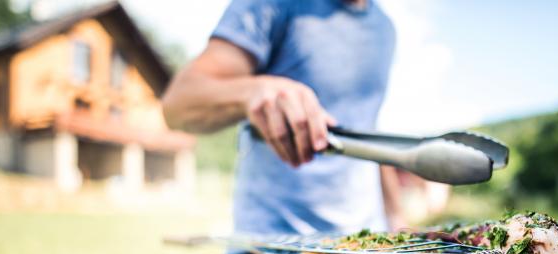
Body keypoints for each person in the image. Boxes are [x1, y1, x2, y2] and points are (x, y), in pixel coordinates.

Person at [163, 0, 405, 234]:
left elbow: (366, 125)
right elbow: (178, 105)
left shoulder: (385, 28)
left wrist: (396, 216)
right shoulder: (269, 4)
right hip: (273, 247)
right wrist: (253, 91)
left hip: (363, 242)